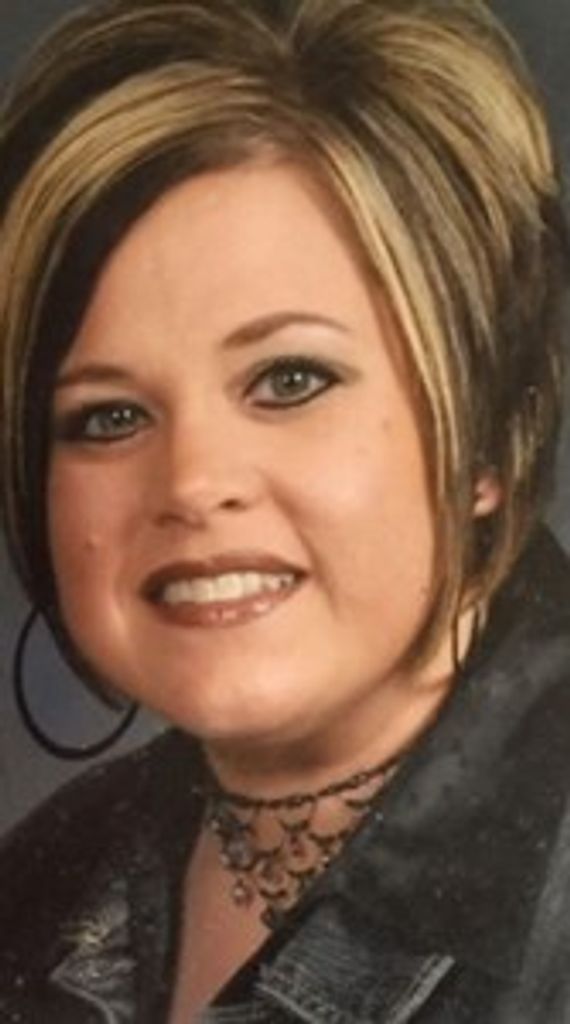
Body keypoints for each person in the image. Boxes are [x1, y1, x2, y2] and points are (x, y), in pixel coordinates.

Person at [0, 0, 569, 1020]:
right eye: (110, 415)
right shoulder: (39, 878)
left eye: (291, 379)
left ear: (489, 431)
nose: (190, 482)